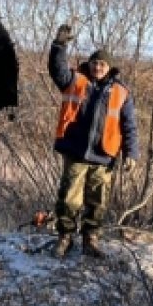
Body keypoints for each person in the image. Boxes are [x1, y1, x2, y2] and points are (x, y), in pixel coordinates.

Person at [47, 24, 140, 258]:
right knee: (69, 198)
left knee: (97, 201)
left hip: (105, 154)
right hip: (76, 151)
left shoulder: (121, 92)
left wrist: (131, 153)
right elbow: (57, 69)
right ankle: (65, 238)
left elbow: (129, 126)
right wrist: (59, 45)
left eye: (102, 64)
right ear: (89, 64)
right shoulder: (75, 80)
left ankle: (91, 239)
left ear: (109, 68)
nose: (98, 67)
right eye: (95, 63)